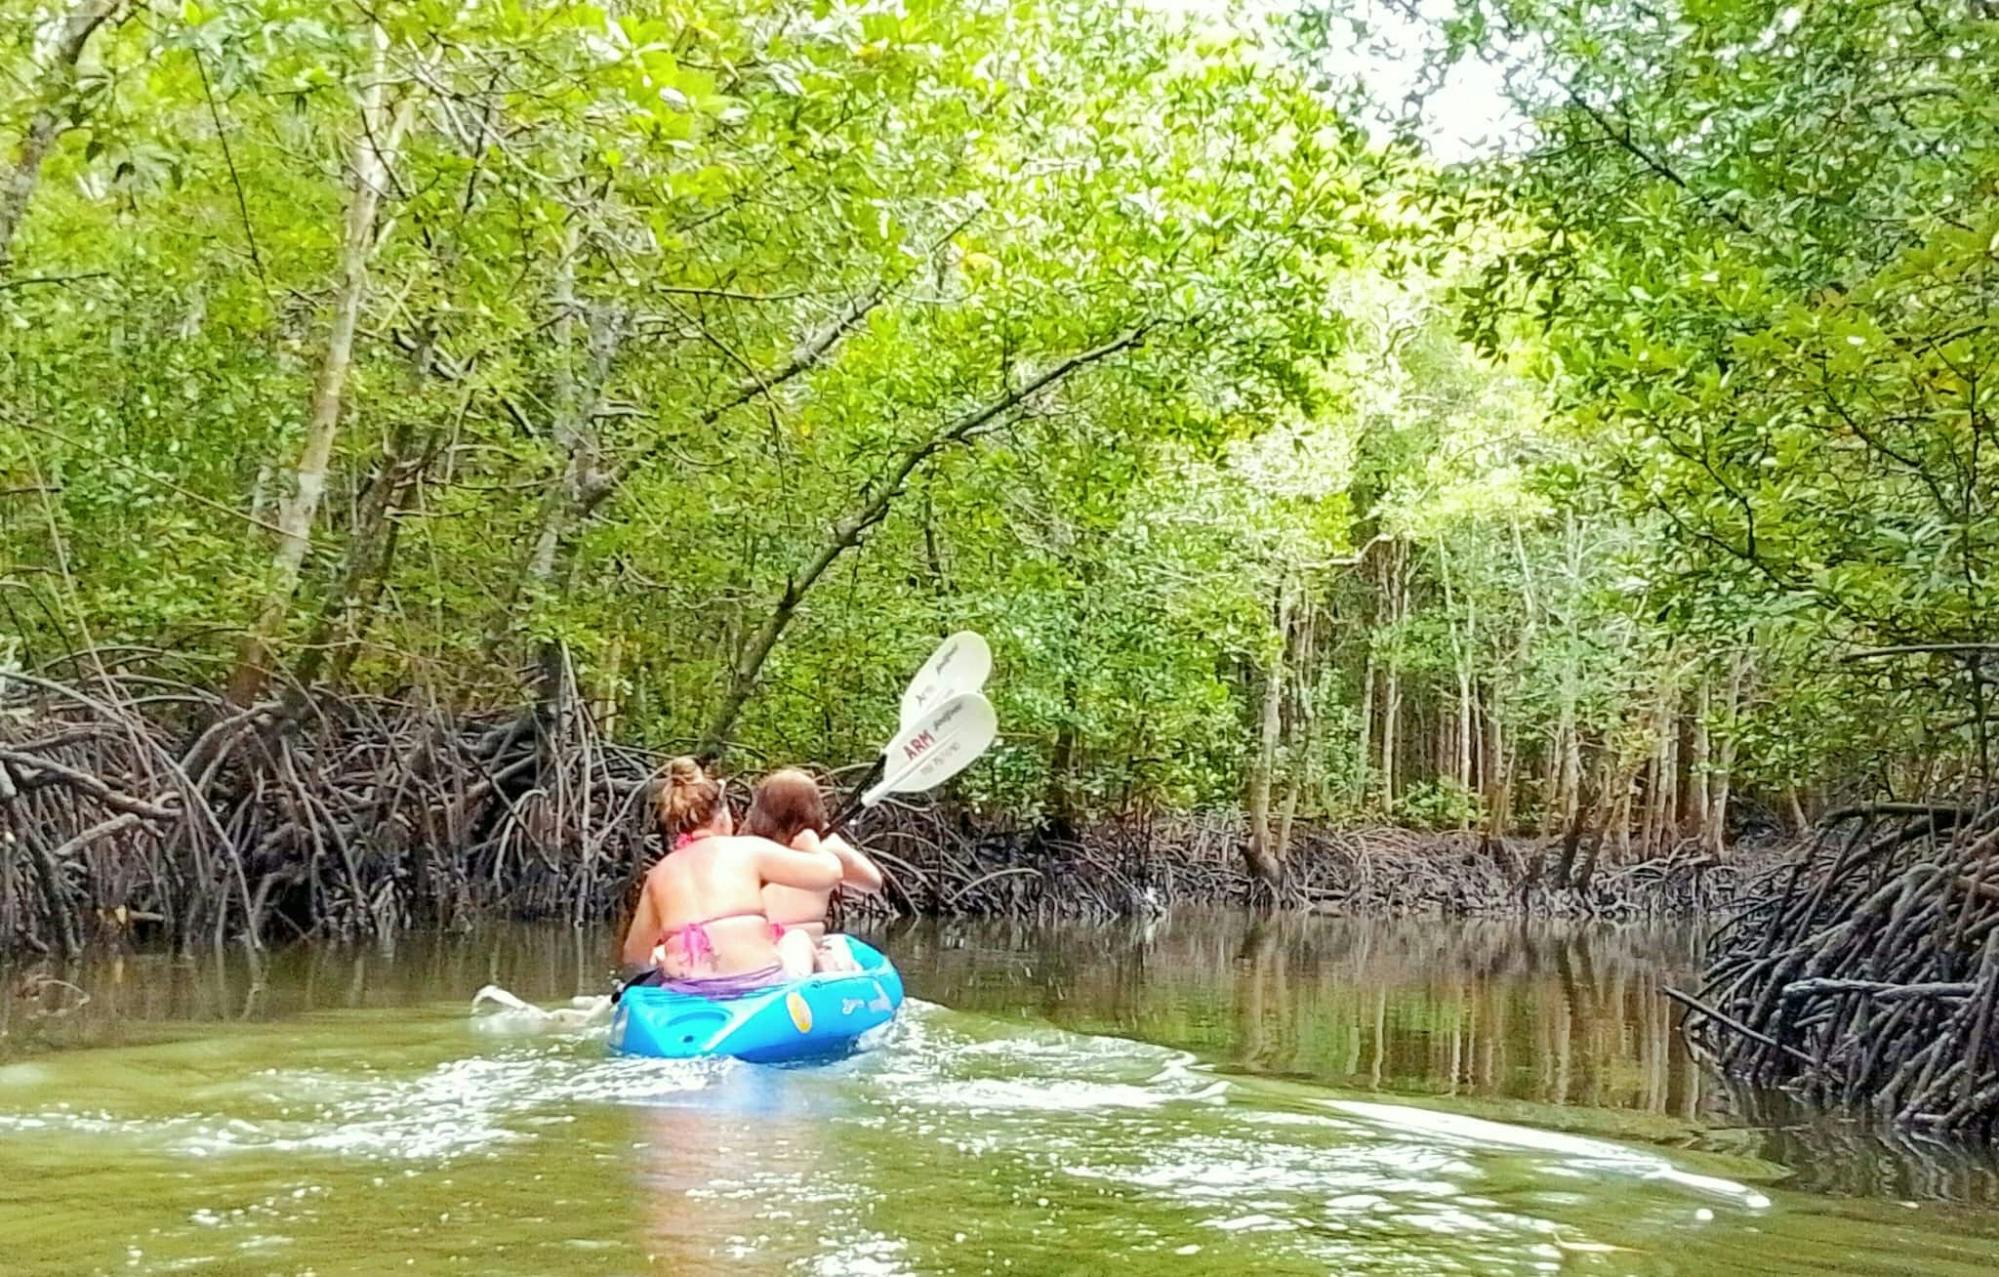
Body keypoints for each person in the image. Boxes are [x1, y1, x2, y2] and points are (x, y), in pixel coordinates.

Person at [620, 757, 843, 991]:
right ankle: (826, 989)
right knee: (796, 939)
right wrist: (813, 845)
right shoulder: (748, 848)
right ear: (722, 816)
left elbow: (635, 955)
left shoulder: (659, 873)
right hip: (759, 983)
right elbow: (831, 872)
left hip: (689, 989)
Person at [744, 768, 884, 973]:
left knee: (817, 943)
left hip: (760, 955)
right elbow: (873, 883)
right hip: (800, 955)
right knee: (816, 945)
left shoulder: (747, 849)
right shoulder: (827, 850)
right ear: (816, 810)